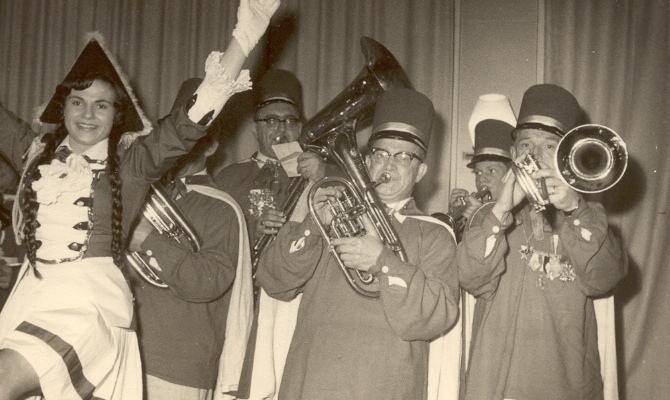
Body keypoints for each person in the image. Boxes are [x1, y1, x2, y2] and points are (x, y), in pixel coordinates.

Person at [0, 0, 279, 398]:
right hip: (31, 300)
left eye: (101, 105)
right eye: (78, 102)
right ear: (62, 108)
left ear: (117, 115)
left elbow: (192, 118)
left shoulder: (131, 166)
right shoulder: (33, 154)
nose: (88, 115)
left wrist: (244, 37)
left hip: (87, 310)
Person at [256, 87, 460, 399]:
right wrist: (312, 225)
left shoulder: (435, 234)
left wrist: (384, 262)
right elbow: (274, 282)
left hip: (385, 386)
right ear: (366, 161)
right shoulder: (332, 212)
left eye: (403, 157)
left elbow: (435, 317)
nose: (388, 166)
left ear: (420, 172)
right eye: (380, 154)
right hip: (312, 382)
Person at [458, 83, 628, 400]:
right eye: (526, 145)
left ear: (566, 155)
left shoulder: (590, 215)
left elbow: (605, 279)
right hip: (496, 386)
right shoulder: (487, 216)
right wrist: (500, 211)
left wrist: (574, 208)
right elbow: (471, 278)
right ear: (513, 155)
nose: (535, 156)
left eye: (550, 146)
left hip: (565, 387)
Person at [127, 78, 253, 400]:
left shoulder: (221, 208)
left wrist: (147, 239)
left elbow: (208, 281)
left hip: (177, 368)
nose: (182, 146)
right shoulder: (143, 190)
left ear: (211, 146)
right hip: (124, 351)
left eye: (195, 137)